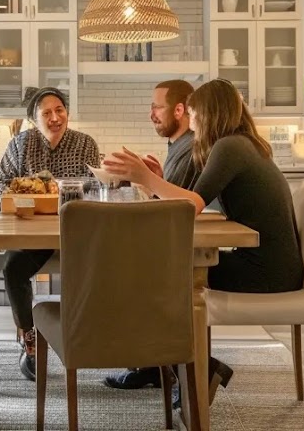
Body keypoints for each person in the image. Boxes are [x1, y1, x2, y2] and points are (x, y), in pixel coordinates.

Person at [101, 78, 304, 405]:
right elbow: (194, 200)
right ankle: (172, 366)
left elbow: (192, 205)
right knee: (163, 272)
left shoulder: (230, 147)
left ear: (208, 113)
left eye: (194, 114)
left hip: (265, 273)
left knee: (161, 276)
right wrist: (158, 182)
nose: (191, 122)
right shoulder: (241, 144)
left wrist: (146, 178)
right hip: (273, 265)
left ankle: (189, 367)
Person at [0, 87, 101, 381]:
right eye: (47, 113)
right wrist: (27, 194)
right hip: (33, 233)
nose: (55, 118)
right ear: (33, 119)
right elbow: (1, 184)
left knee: (103, 269)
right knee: (12, 267)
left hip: (76, 233)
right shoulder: (20, 144)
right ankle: (29, 339)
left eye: (60, 110)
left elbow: (95, 187)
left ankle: (88, 336)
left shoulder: (84, 143)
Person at [103, 79, 200, 390]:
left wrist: (145, 180)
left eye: (157, 107)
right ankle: (151, 362)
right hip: (176, 245)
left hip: (184, 253)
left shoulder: (190, 148)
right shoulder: (180, 146)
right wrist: (156, 180)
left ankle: (156, 364)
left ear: (181, 109)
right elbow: (173, 199)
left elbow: (176, 213)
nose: (152, 114)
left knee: (122, 268)